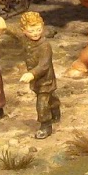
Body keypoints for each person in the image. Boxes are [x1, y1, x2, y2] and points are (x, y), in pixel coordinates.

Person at [16, 11, 60, 139]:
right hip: (36, 81)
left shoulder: (45, 46)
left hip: (45, 79)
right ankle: (56, 110)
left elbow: (44, 65)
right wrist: (3, 28)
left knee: (42, 103)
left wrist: (31, 74)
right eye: (31, 31)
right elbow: (14, 32)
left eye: (38, 29)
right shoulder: (25, 40)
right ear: (24, 30)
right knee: (50, 98)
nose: (35, 33)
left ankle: (45, 125)